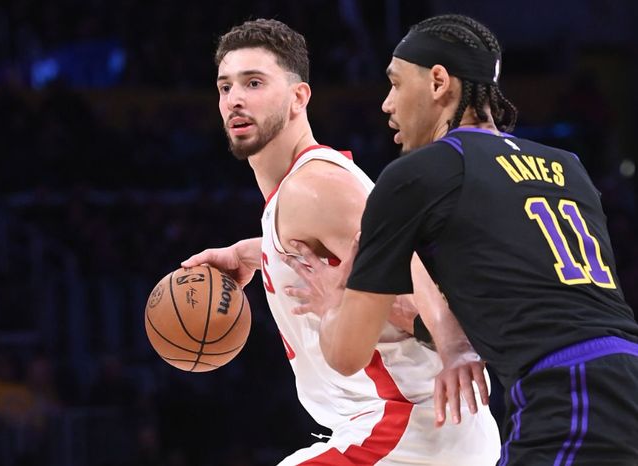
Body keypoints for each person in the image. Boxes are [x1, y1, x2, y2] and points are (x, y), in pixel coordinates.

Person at [282, 14, 638, 466]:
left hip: (571, 394)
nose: (387, 104)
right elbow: (531, 296)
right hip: (616, 375)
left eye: (395, 84)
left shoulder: (416, 175)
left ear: (437, 82)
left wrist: (335, 303)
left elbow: (347, 354)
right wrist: (452, 343)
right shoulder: (569, 166)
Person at [182, 18, 500, 466]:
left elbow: (417, 288)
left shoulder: (313, 188)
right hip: (405, 428)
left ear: (299, 97)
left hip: (411, 425)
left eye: (254, 83)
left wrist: (454, 346)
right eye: (225, 86)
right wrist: (254, 252)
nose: (235, 98)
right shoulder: (303, 191)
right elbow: (350, 252)